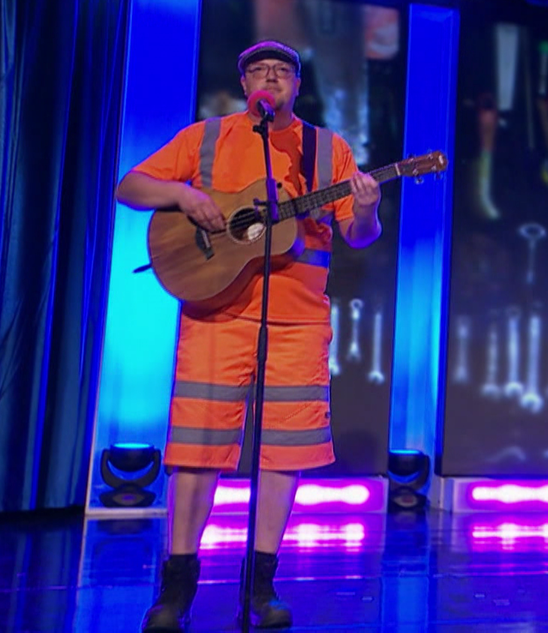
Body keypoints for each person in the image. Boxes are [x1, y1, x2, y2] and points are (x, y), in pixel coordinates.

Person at [116, 40, 382, 631]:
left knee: (285, 451)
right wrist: (184, 194)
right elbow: (130, 187)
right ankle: (176, 587)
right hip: (215, 312)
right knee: (196, 449)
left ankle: (261, 584)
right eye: (259, 70)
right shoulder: (206, 138)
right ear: (244, 85)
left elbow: (359, 235)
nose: (270, 77)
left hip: (299, 320)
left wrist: (366, 209)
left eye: (282, 70)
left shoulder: (328, 149)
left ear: (297, 84)